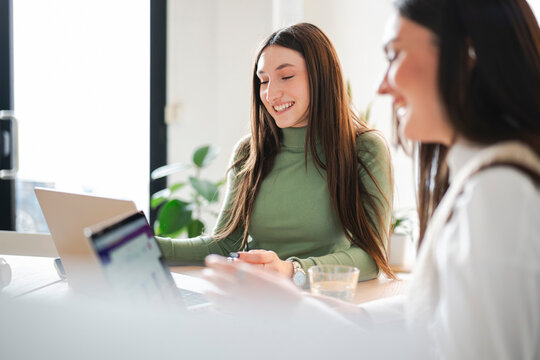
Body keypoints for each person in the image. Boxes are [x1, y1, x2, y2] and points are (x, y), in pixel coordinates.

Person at [202, 0, 540, 358]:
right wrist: (351, 313)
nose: (382, 86)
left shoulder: (499, 193)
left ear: (467, 57)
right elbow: (439, 314)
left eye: (394, 56)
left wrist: (293, 308)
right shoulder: (484, 181)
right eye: (263, 81)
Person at [157, 23, 395, 282]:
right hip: (255, 301)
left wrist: (292, 271)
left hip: (324, 303)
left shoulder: (364, 148)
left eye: (287, 76)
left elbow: (373, 257)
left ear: (321, 77)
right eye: (264, 81)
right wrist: (145, 244)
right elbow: (223, 246)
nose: (270, 94)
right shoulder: (249, 152)